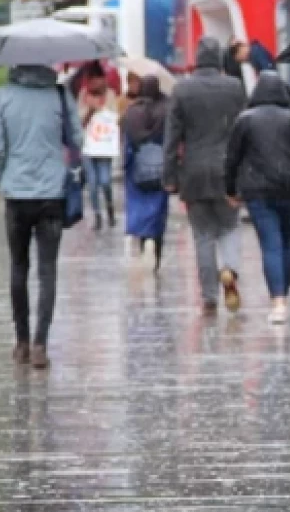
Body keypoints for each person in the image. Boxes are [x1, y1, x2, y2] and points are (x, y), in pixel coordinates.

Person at [0, 65, 81, 370]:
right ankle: (41, 344)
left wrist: (2, 179)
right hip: (52, 194)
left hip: (17, 195)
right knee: (47, 271)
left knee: (18, 267)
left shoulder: (1, 97)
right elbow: (77, 139)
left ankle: (22, 341)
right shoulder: (60, 96)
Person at [164, 37, 249, 314]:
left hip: (194, 173)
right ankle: (230, 269)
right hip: (227, 172)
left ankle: (209, 297)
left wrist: (169, 176)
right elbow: (243, 130)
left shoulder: (182, 90)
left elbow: (171, 138)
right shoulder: (234, 87)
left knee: (203, 235)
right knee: (230, 226)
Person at [225, 72, 290, 324]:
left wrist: (230, 190)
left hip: (258, 191)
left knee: (271, 244)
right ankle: (284, 294)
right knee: (287, 242)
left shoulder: (245, 119)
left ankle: (278, 301)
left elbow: (232, 158)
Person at [122, 75, 171, 271]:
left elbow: (127, 143)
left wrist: (126, 165)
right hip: (160, 168)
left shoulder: (132, 112)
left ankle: (144, 242)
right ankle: (156, 249)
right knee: (158, 210)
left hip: (138, 170)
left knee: (140, 209)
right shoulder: (166, 111)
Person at [80, 80, 120, 230]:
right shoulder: (84, 98)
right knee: (92, 183)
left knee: (105, 181)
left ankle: (110, 209)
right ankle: (97, 215)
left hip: (104, 149)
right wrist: (90, 110)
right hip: (89, 149)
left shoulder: (110, 97)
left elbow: (115, 120)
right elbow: (79, 122)